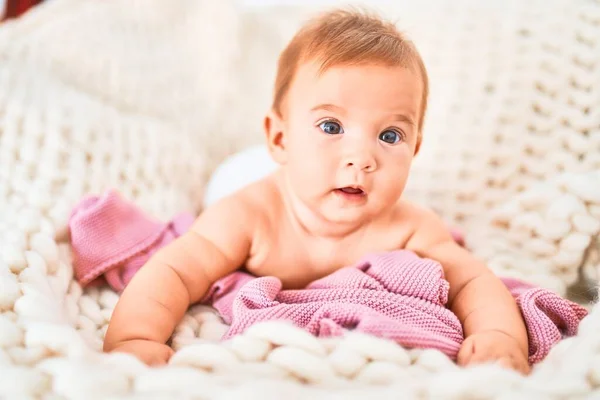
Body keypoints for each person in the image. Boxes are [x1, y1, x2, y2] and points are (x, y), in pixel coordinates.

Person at [103, 8, 530, 374]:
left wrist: (497, 335)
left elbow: (473, 279)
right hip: (242, 178)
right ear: (281, 137)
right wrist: (135, 337)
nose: (362, 158)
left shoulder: (409, 227)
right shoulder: (248, 216)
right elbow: (173, 272)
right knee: (225, 182)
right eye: (331, 127)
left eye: (390, 135)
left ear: (415, 149)